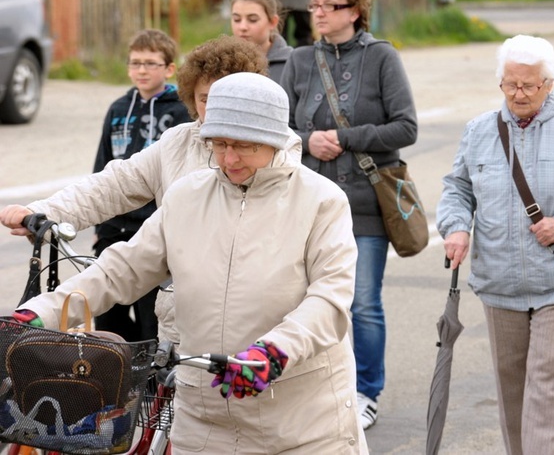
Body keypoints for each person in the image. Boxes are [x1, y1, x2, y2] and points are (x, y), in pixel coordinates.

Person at [14, 72, 367, 454]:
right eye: (219, 144)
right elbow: (123, 269)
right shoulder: (187, 196)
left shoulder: (321, 201)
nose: (229, 159)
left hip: (302, 423)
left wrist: (275, 352)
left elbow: (330, 299)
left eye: (244, 146)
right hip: (203, 419)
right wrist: (40, 312)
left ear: (275, 140)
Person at [0, 35, 300, 345]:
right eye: (205, 98)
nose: (213, 109)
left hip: (261, 338)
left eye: (225, 97)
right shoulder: (176, 144)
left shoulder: (284, 161)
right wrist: (44, 212)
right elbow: (114, 185)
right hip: (181, 323)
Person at [436, 34, 554, 454]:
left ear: (549, 83)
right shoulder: (480, 130)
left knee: (548, 386)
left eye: (529, 85)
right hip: (499, 283)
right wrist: (457, 226)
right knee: (512, 389)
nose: (518, 94)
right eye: (510, 84)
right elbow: (458, 188)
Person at [280, 0, 418, 430]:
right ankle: (318, 386)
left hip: (364, 204)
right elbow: (279, 129)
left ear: (354, 11)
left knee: (362, 304)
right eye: (315, 4)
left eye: (329, 5)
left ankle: (366, 392)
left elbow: (406, 127)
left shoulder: (382, 58)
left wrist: (344, 136)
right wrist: (306, 140)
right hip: (308, 206)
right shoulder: (300, 60)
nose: (317, 12)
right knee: (303, 301)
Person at [92, 28, 190, 342]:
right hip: (113, 230)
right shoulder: (119, 109)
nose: (142, 70)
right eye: (135, 63)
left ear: (169, 68)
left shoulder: (180, 111)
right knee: (108, 320)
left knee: (152, 323)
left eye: (150, 63)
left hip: (151, 230)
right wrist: (99, 222)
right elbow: (102, 166)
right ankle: (116, 386)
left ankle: (149, 387)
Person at [230, 0, 292, 83]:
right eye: (237, 19)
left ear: (273, 22)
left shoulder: (292, 64)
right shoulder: (218, 63)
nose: (242, 27)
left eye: (252, 19)